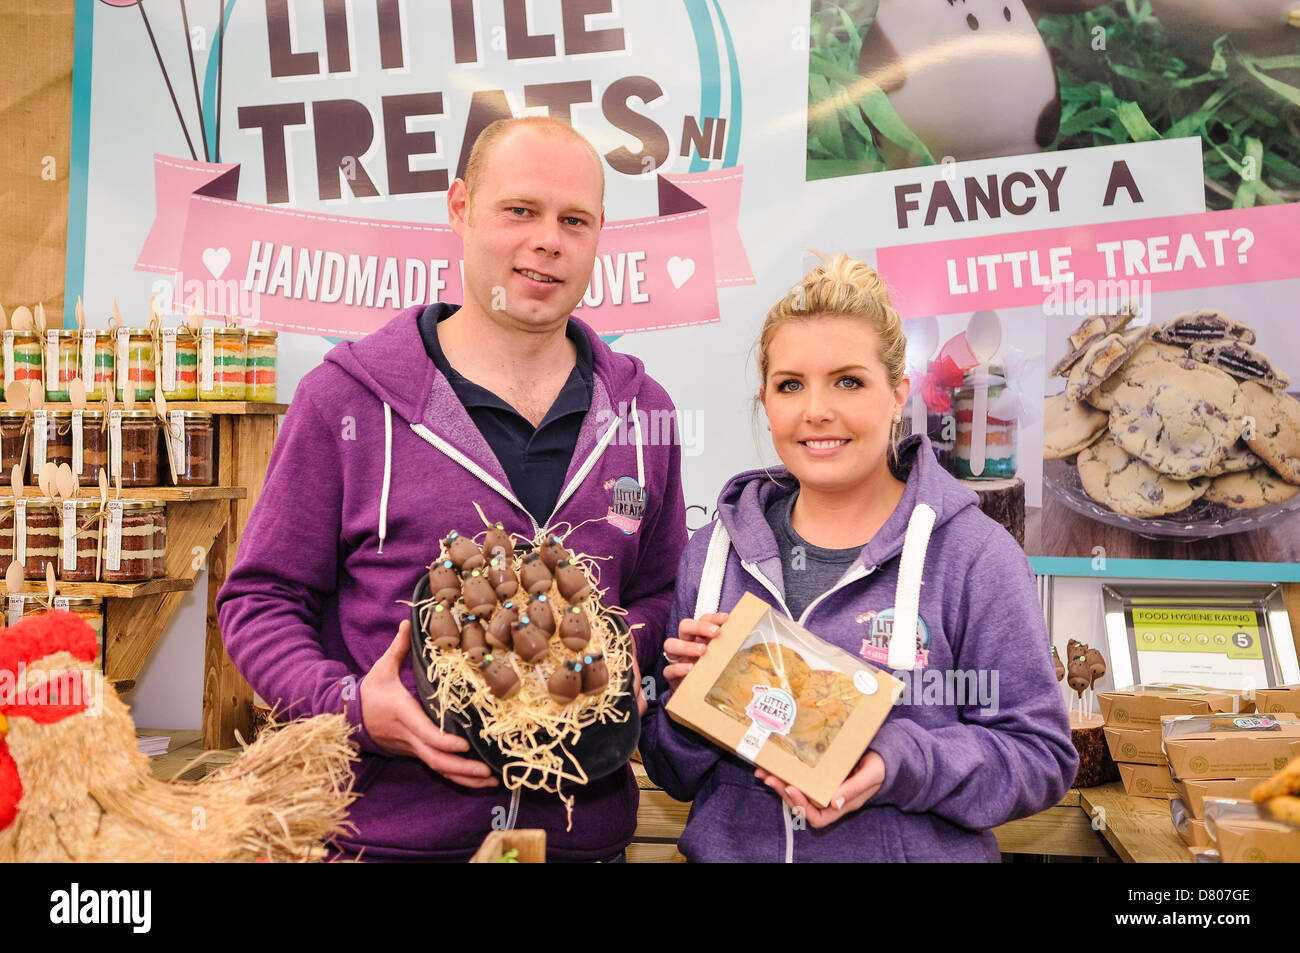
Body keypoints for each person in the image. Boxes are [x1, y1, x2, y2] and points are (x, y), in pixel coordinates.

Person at [216, 117, 687, 862]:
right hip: (389, 842)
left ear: (600, 232)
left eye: (574, 220)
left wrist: (621, 646)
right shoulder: (343, 400)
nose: (547, 241)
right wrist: (352, 707)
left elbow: (662, 588)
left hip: (583, 842)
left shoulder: (643, 412)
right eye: (519, 210)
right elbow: (261, 600)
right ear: (460, 208)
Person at [638, 254, 1077, 862]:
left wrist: (895, 760)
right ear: (766, 400)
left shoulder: (973, 556)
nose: (817, 410)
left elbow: (1039, 756)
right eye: (790, 384)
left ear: (898, 393)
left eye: (848, 381)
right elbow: (671, 771)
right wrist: (694, 707)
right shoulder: (712, 555)